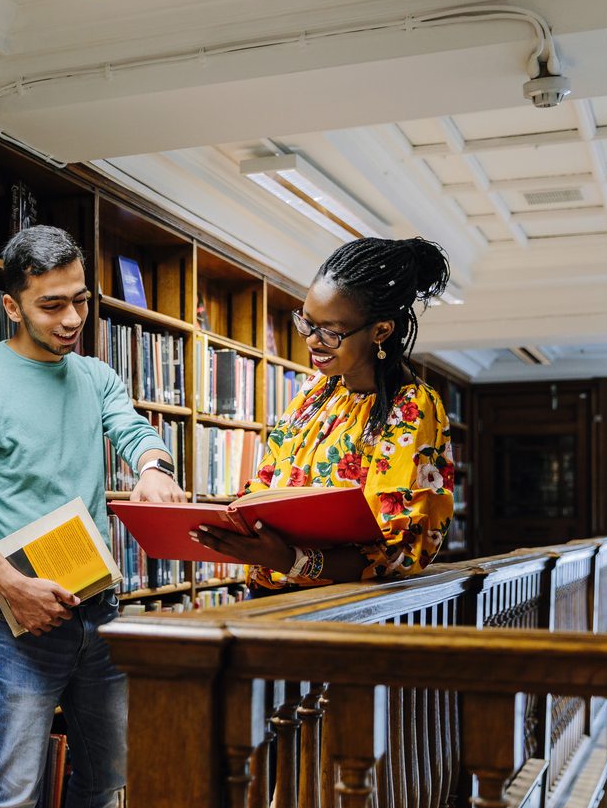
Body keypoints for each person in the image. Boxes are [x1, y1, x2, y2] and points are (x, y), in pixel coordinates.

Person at [0, 225, 183, 808]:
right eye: (52, 305)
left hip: (102, 614)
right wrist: (12, 586)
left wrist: (154, 467)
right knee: (13, 793)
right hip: (23, 621)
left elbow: (133, 430)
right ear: (11, 306)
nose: (72, 319)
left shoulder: (95, 377)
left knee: (102, 779)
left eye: (81, 300)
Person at [193, 237, 456, 588]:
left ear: (381, 330)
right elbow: (267, 480)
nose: (312, 341)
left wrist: (289, 560)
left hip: (339, 615)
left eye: (329, 332)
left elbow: (398, 551)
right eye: (307, 323)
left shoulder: (411, 409)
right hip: (268, 600)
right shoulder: (314, 390)